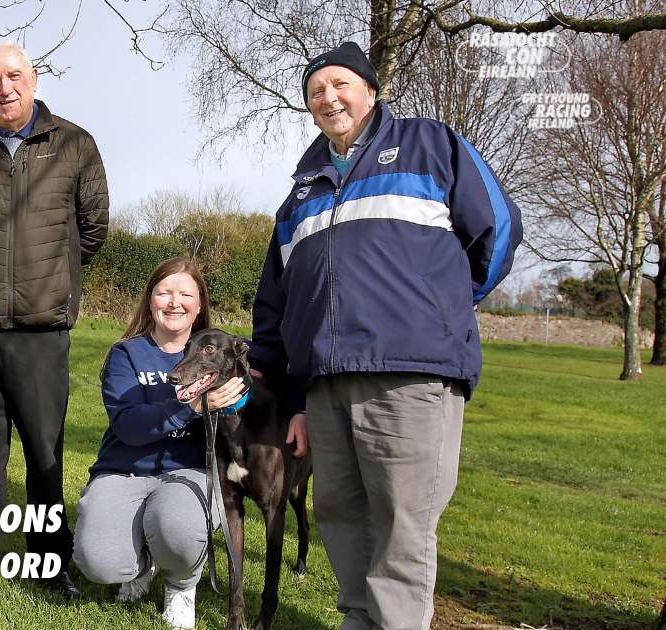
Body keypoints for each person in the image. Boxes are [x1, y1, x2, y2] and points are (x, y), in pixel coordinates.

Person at [249, 42, 522, 630]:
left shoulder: (432, 146)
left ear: (371, 90)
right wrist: (292, 399)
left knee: (403, 518)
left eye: (341, 84)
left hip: (410, 374)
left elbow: (497, 231)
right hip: (323, 386)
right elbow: (277, 305)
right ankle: (358, 619)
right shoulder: (301, 192)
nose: (329, 97)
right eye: (316, 91)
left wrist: (444, 304)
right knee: (340, 512)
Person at [0, 42, 109, 597]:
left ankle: (48, 563)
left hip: (42, 327)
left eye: (13, 77)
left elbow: (94, 229)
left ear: (33, 78)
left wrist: (48, 277)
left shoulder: (74, 144)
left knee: (45, 450)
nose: (4, 88)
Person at [73, 257, 264, 630]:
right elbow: (128, 426)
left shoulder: (219, 352)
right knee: (99, 561)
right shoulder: (126, 354)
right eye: (164, 292)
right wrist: (193, 406)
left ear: (199, 304)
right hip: (125, 469)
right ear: (150, 300)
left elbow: (255, 391)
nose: (174, 303)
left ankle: (181, 585)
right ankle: (142, 563)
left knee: (177, 526)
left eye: (185, 295)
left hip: (187, 471)